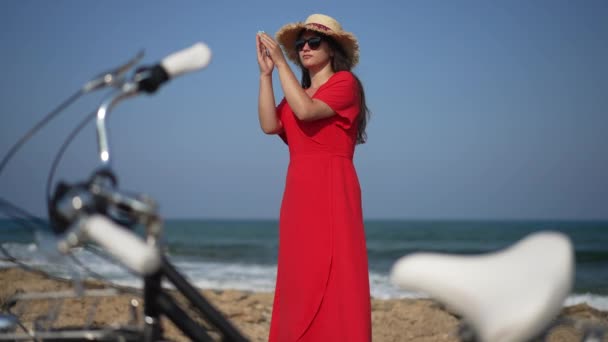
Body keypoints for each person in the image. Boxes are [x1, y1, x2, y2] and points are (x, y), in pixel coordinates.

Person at [256, 13, 371, 341]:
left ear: (332, 49)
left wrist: (281, 65)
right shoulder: (297, 93)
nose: (305, 48)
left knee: (337, 274)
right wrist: (266, 75)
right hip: (298, 192)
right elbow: (268, 125)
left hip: (333, 187)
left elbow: (307, 112)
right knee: (299, 275)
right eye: (301, 43)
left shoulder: (344, 85)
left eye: (314, 42)